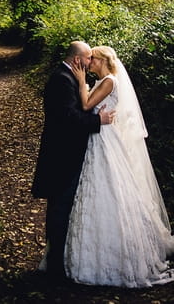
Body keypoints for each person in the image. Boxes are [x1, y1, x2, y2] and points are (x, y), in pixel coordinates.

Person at [64, 44, 174, 287]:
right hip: (98, 138)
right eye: (89, 60)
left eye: (93, 60)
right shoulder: (104, 81)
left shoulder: (109, 80)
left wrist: (80, 81)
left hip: (105, 139)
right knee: (96, 187)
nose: (89, 64)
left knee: (110, 186)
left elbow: (87, 105)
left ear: (103, 61)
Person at [31, 40, 115, 279]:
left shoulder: (68, 77)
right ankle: (55, 265)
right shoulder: (61, 80)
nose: (90, 62)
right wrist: (99, 121)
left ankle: (57, 260)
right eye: (88, 58)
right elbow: (68, 118)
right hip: (61, 156)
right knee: (60, 207)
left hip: (66, 154)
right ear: (78, 60)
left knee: (63, 206)